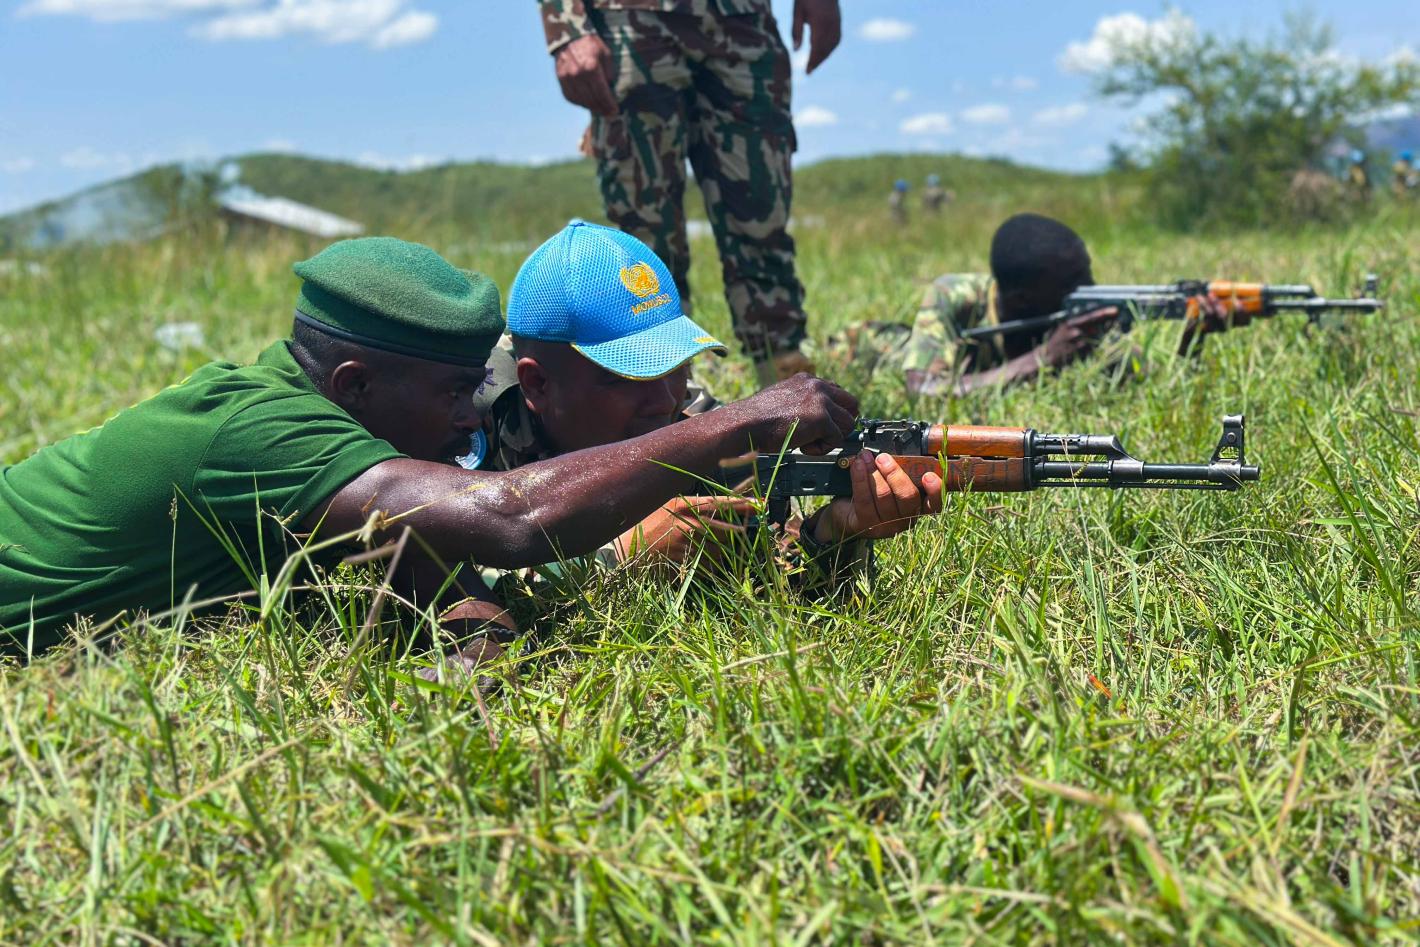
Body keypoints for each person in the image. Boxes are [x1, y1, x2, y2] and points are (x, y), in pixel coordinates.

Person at [0, 236, 913, 669]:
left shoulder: (329, 448)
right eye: (447, 394)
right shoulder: (264, 431)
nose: (464, 419)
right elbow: (508, 520)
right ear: (354, 386)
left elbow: (447, 595)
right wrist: (737, 424)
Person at [469, 220, 936, 580]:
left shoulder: (693, 415)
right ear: (538, 386)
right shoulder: (464, 419)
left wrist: (834, 532)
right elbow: (430, 572)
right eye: (627, 377)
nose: (663, 401)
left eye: (676, 367)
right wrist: (615, 558)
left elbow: (768, 567)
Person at [539, 0, 842, 387]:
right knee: (646, 233)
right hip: (632, 20)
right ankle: (668, 403)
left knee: (761, 215)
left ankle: (789, 396)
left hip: (739, 18)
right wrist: (567, 28)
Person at [820, 213, 1234, 397]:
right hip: (865, 351)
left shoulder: (1079, 321)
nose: (1089, 290)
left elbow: (1145, 390)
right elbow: (922, 391)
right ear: (1022, 298)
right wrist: (1043, 357)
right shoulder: (955, 296)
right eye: (1074, 284)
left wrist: (1193, 338)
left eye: (1086, 275)